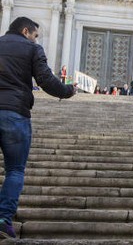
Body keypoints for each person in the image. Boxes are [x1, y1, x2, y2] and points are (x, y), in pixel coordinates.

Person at [0, 17, 76, 238]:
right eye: (35, 35)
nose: (35, 39)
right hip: (15, 113)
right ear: (26, 31)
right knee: (14, 169)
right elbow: (45, 79)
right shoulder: (32, 49)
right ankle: (3, 219)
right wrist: (67, 91)